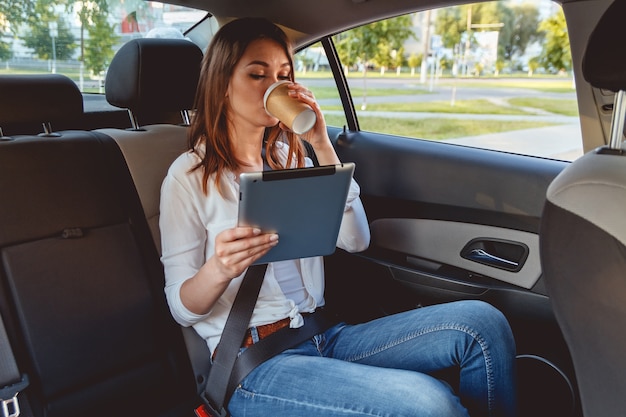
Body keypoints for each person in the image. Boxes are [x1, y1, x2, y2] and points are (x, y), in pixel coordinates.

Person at [159, 17, 517, 417]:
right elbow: (181, 307)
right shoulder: (189, 176)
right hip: (257, 364)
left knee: (482, 325)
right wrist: (220, 268)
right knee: (429, 403)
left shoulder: (288, 158)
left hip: (322, 333)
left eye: (283, 75)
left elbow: (355, 240)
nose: (273, 87)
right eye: (257, 75)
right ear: (222, 84)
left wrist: (320, 144)